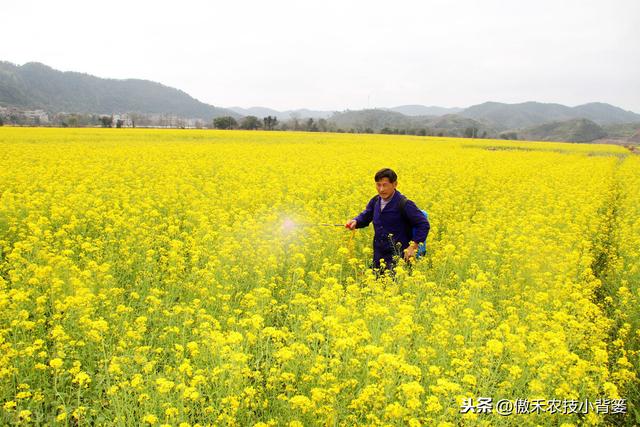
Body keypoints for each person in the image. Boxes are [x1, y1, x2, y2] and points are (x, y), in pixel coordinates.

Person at [346, 168, 430, 273]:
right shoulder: (376, 200)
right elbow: (367, 214)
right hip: (379, 256)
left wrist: (413, 247)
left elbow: (423, 224)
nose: (381, 189)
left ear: (395, 184)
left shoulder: (404, 204)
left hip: (399, 258)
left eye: (384, 185)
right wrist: (356, 221)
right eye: (378, 185)